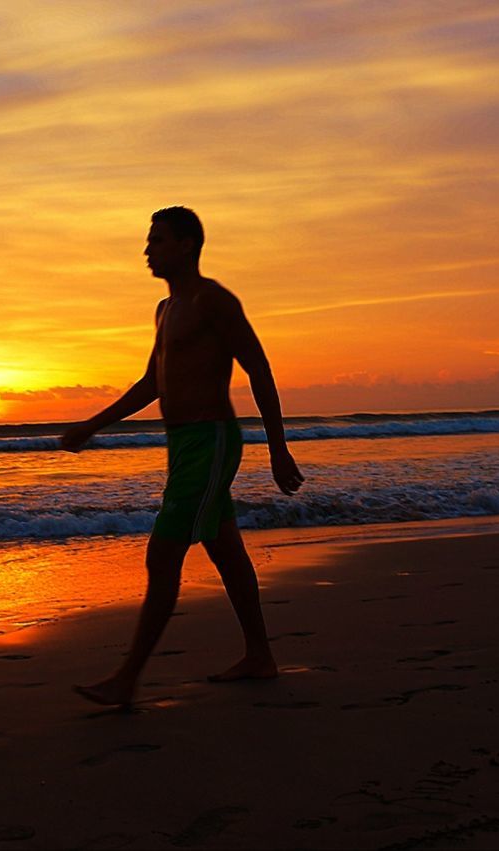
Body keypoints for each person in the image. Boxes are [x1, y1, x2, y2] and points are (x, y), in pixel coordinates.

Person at [61, 206, 305, 708]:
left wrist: (278, 449)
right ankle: (260, 656)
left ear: (188, 245)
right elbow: (152, 382)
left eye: (158, 240)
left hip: (211, 442)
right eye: (149, 240)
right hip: (184, 446)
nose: (148, 249)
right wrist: (92, 425)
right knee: (226, 550)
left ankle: (127, 678)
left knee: (163, 554)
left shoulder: (214, 301)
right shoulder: (165, 309)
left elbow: (259, 370)